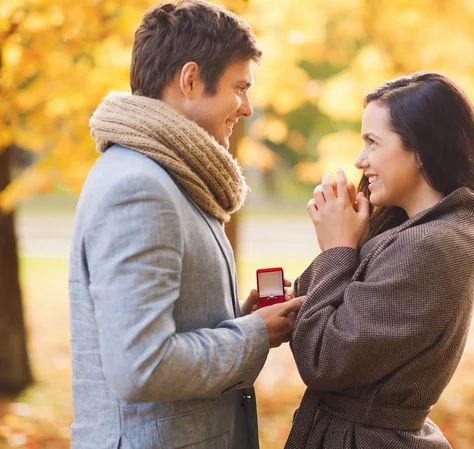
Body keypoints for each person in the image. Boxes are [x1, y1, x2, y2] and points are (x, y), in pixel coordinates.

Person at [68, 1, 302, 448]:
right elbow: (143, 366)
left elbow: (159, 324)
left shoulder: (169, 176)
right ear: (191, 80)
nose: (247, 108)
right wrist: (252, 334)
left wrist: (235, 315)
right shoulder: (139, 187)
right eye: (240, 88)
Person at [285, 72, 474, 449]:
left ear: (423, 151)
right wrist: (349, 244)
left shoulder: (431, 246)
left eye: (373, 143)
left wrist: (337, 249)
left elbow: (323, 360)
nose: (361, 161)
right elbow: (310, 303)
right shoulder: (410, 230)